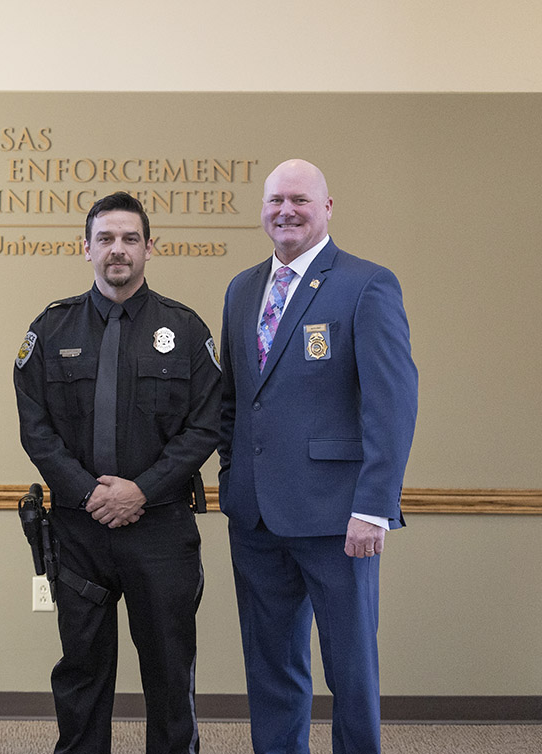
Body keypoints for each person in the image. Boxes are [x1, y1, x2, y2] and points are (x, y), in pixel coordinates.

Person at [218, 159, 417, 754]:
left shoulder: (366, 283)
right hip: (255, 517)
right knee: (271, 668)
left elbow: (392, 402)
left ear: (327, 208)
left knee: (351, 672)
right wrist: (231, 479)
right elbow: (234, 398)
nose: (286, 210)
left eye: (300, 200)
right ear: (262, 210)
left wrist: (375, 507)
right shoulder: (242, 287)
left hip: (339, 518)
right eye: (276, 199)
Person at [14, 191, 221, 754]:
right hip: (79, 532)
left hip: (160, 529)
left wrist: (141, 491)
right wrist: (88, 494)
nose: (118, 250)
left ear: (150, 248)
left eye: (130, 238)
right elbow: (35, 427)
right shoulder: (51, 330)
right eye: (105, 238)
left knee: (170, 675)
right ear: (85, 249)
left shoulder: (184, 328)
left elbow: (206, 427)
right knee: (81, 674)